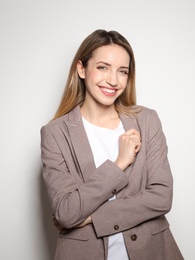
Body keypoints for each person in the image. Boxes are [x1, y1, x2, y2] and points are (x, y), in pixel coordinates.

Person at [40, 29, 184, 260]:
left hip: (152, 251)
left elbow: (161, 196)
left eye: (122, 71)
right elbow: (66, 212)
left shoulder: (146, 120)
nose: (113, 80)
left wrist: (91, 218)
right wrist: (119, 164)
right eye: (103, 67)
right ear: (81, 69)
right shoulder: (55, 134)